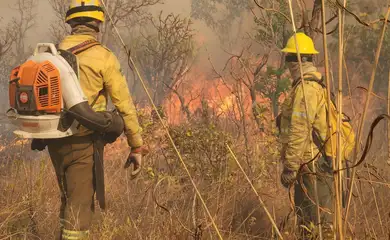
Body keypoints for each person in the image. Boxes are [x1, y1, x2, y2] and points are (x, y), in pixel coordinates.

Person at [38, 1, 145, 239]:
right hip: (83, 142)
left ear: (71, 22)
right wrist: (136, 144)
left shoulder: (51, 53)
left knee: (69, 198)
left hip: (54, 141)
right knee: (80, 208)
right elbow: (124, 105)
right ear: (97, 22)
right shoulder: (103, 57)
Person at [278, 32, 334, 239]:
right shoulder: (312, 86)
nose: (288, 64)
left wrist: (290, 168)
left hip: (312, 165)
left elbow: (299, 130)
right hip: (312, 164)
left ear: (299, 60)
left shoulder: (306, 89)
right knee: (308, 224)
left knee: (316, 225)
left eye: (290, 58)